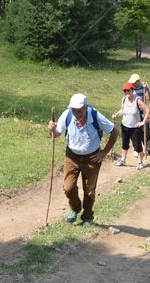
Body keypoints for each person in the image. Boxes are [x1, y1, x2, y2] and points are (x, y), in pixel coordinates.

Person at [48, 93, 118, 225]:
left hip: (92, 157)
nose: (76, 113)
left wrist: (104, 152)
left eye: (79, 110)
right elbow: (56, 134)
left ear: (86, 108)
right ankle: (75, 208)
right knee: (68, 187)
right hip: (72, 156)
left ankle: (87, 216)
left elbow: (115, 132)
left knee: (89, 189)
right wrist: (51, 130)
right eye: (74, 110)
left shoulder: (96, 116)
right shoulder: (67, 115)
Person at [111, 82, 150, 168]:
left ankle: (140, 162)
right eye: (125, 91)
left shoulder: (138, 100)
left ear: (132, 90)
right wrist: (116, 115)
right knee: (124, 144)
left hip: (135, 128)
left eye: (128, 90)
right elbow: (122, 111)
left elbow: (147, 110)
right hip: (125, 126)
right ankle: (123, 160)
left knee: (137, 146)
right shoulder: (124, 99)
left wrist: (143, 122)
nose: (126, 92)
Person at [128, 73, 150, 158]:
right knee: (134, 132)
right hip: (134, 112)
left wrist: (146, 89)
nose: (132, 84)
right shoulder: (130, 88)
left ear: (138, 81)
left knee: (146, 132)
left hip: (143, 112)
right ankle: (136, 149)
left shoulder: (144, 86)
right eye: (131, 82)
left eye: (134, 82)